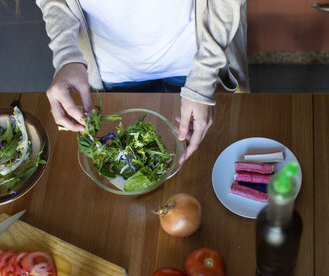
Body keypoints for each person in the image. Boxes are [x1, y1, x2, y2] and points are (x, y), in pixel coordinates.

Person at [36, 0, 249, 161]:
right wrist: (67, 56)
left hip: (196, 64)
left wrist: (204, 77)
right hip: (108, 72)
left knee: (210, 158)